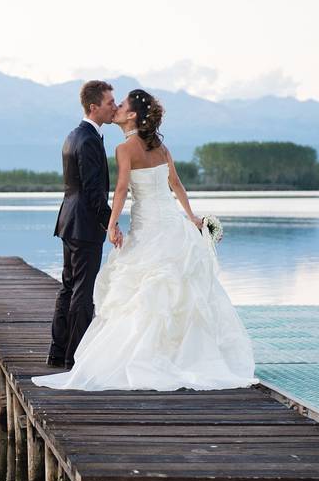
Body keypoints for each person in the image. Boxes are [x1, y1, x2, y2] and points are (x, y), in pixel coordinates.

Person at [34, 89, 258, 391]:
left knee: (142, 292)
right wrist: (191, 218)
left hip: (146, 226)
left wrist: (111, 224)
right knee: (179, 291)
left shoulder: (125, 149)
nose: (117, 107)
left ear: (132, 115)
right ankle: (180, 356)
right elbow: (176, 184)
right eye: (113, 102)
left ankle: (136, 355)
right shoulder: (162, 148)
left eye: (121, 104)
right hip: (170, 225)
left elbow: (123, 189)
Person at [46, 80, 116, 369]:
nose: (115, 106)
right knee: (82, 292)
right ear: (94, 107)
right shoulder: (87, 140)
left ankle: (58, 352)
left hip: (69, 221)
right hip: (84, 224)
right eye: (110, 102)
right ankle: (75, 358)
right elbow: (92, 191)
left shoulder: (74, 135)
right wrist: (110, 223)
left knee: (69, 287)